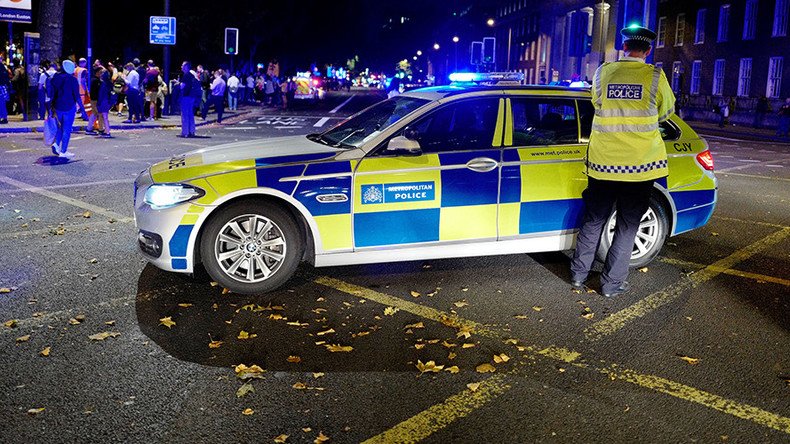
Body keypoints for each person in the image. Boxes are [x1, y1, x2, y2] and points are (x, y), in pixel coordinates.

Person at [569, 25, 675, 298]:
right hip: (639, 167)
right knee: (628, 226)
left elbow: (596, 102)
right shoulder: (655, 76)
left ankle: (579, 276)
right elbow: (667, 111)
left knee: (593, 219)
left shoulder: (603, 72)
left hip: (603, 162)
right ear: (648, 51)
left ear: (623, 48)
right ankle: (611, 284)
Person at [50, 59, 81, 158]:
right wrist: (83, 111)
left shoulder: (56, 77)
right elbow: (77, 96)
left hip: (57, 106)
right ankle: (63, 151)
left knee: (60, 126)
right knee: (67, 129)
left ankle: (56, 143)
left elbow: (52, 93)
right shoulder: (73, 80)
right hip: (69, 106)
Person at [178, 61, 198, 138]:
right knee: (190, 114)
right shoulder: (192, 75)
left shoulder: (185, 76)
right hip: (192, 96)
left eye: (182, 65)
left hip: (186, 96)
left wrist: (178, 84)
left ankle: (185, 132)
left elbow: (182, 87)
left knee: (184, 114)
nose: (181, 66)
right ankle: (191, 131)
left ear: (186, 67)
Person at [96, 68, 113, 137]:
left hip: (103, 101)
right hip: (107, 101)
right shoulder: (109, 83)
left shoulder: (103, 84)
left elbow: (101, 94)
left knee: (104, 117)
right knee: (105, 116)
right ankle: (106, 130)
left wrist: (98, 102)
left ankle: (107, 132)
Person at [86, 66, 102, 135]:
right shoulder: (95, 80)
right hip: (94, 100)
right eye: (100, 72)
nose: (101, 74)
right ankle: (89, 129)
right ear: (97, 73)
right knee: (95, 113)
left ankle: (89, 128)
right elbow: (96, 91)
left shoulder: (96, 80)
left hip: (94, 99)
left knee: (94, 114)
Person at [0, 55, 11, 124]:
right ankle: (4, 117)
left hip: (1, 86)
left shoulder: (1, 66)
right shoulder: (2, 67)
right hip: (2, 86)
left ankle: (3, 117)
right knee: (2, 103)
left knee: (1, 103)